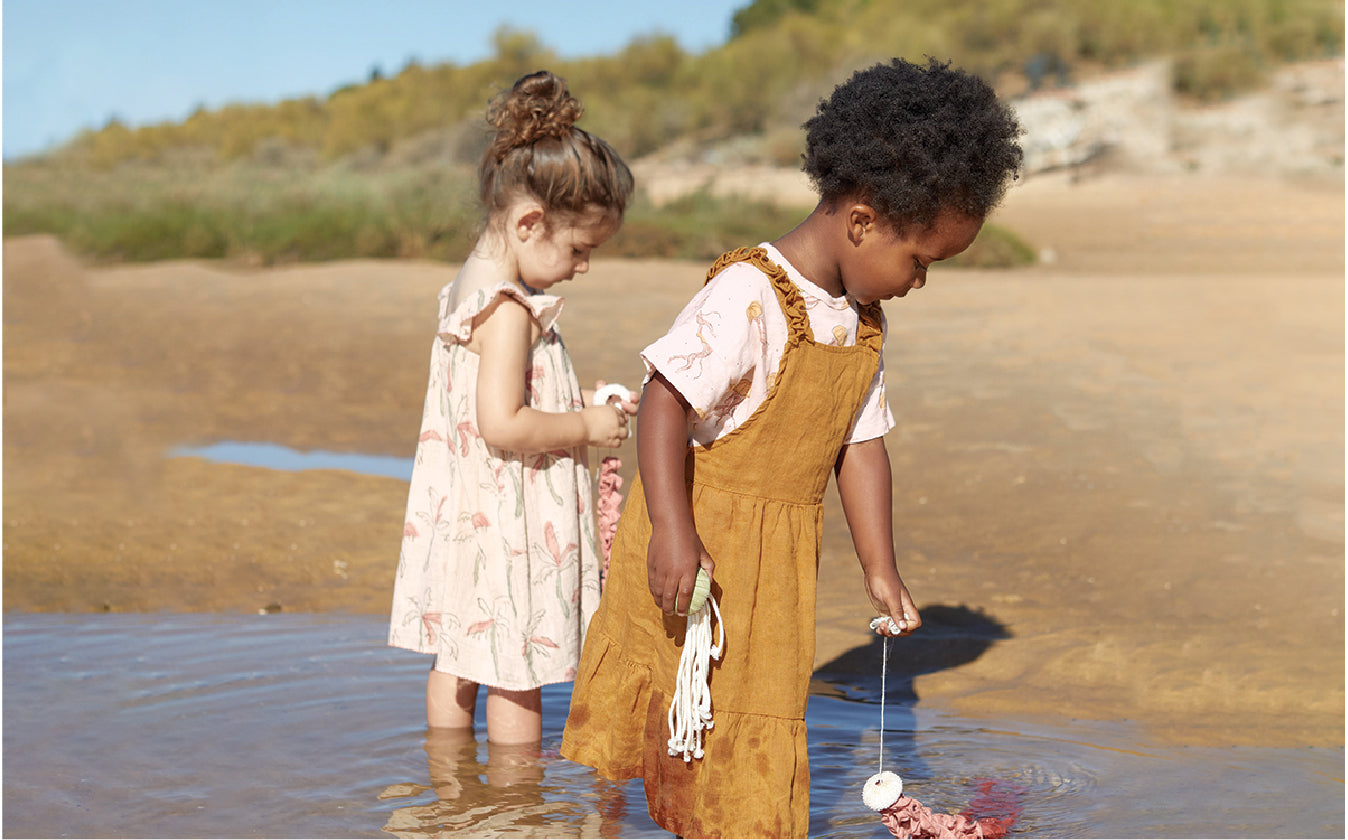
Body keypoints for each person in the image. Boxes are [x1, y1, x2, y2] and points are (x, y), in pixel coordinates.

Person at [560, 57, 1023, 837]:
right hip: (696, 541)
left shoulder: (861, 321)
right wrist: (674, 530)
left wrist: (880, 567)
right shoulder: (750, 293)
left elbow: (861, 443)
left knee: (752, 715)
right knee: (677, 697)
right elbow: (666, 398)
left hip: (775, 566)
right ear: (863, 220)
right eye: (920, 261)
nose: (918, 282)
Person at [388, 70, 636, 746]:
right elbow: (503, 422)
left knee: (459, 659)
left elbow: (504, 398)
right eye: (580, 249)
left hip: (464, 513)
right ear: (530, 223)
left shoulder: (469, 287)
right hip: (507, 519)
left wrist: (578, 399)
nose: (583, 267)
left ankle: (452, 785)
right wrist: (586, 426)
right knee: (515, 667)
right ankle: (514, 804)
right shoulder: (508, 309)